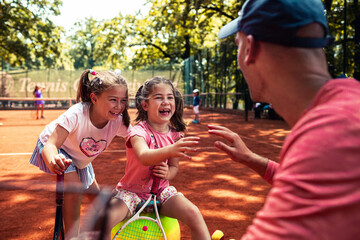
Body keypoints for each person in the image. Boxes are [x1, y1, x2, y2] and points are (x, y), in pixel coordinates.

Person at [208, 0, 360, 239]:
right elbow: (318, 185)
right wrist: (253, 160)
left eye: (238, 45)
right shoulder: (348, 108)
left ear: (250, 48)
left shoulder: (330, 136)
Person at [29, 69, 131, 239]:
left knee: (99, 202)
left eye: (123, 101)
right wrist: (53, 158)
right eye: (113, 100)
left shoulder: (119, 122)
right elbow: (50, 145)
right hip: (59, 149)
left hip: (81, 158)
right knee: (74, 189)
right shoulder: (77, 113)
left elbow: (139, 142)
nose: (119, 106)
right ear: (94, 98)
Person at [106, 76, 211, 239]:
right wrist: (171, 149)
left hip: (161, 192)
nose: (166, 102)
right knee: (104, 220)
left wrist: (167, 173)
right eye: (159, 97)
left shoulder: (175, 135)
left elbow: (174, 167)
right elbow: (144, 157)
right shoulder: (138, 132)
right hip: (131, 193)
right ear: (145, 105)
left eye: (170, 97)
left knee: (194, 213)